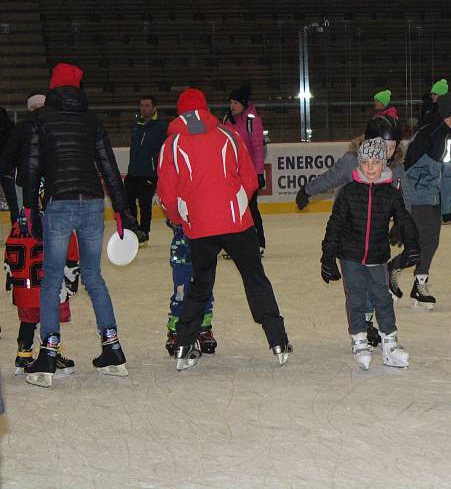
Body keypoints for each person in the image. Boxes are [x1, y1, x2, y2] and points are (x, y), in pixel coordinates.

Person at [157, 88, 291, 371]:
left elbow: (167, 194)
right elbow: (250, 179)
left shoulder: (171, 144)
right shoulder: (228, 136)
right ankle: (278, 340)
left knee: (200, 285)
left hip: (200, 226)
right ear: (206, 109)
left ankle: (183, 344)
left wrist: (182, 218)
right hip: (236, 223)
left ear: (180, 113)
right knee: (256, 279)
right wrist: (238, 204)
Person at [22, 63, 138, 388]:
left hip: (59, 203)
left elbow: (31, 167)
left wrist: (29, 208)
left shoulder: (40, 120)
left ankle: (47, 355)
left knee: (51, 280)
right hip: (91, 203)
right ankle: (112, 349)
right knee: (93, 277)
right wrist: (121, 209)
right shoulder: (91, 120)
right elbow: (109, 167)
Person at [296, 116, 407, 346]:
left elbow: (402, 197)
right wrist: (307, 190)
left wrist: (400, 224)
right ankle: (363, 325)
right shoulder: (353, 161)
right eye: (385, 146)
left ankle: (366, 321)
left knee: (376, 285)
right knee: (358, 284)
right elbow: (331, 178)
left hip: (374, 235)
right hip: (349, 232)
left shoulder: (395, 168)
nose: (388, 152)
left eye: (393, 147)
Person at [320, 138, 420, 370]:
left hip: (377, 256)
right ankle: (360, 341)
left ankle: (389, 343)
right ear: (359, 163)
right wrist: (327, 257)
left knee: (383, 299)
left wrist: (413, 245)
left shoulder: (390, 193)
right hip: (350, 256)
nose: (371, 167)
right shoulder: (348, 192)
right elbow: (334, 224)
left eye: (376, 162)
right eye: (366, 162)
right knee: (356, 299)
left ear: (383, 163)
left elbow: (404, 219)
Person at [403, 92, 451, 309]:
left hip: (434, 195)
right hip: (419, 195)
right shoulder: (429, 133)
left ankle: (412, 280)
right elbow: (407, 167)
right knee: (424, 241)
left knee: (430, 241)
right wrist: (405, 203)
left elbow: (447, 173)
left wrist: (447, 208)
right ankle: (414, 282)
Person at [7, 221, 80, 376]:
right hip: (49, 287)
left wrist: (13, 287)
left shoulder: (17, 226)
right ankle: (51, 354)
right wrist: (71, 285)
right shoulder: (60, 223)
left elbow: (8, 258)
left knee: (28, 319)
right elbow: (71, 258)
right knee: (50, 319)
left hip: (24, 287)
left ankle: (23, 355)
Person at [223, 83, 267, 254]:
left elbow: (258, 148)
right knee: (232, 208)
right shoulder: (227, 120)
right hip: (231, 173)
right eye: (230, 102)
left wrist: (258, 173)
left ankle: (259, 242)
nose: (232, 106)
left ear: (243, 103)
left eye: (235, 103)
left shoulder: (252, 121)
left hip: (248, 173)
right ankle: (234, 245)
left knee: (250, 207)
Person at [164, 220, 216, 356]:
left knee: (205, 291)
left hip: (203, 249)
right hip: (182, 255)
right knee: (180, 294)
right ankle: (175, 330)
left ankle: (204, 328)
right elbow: (171, 212)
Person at [0, 90, 47, 223]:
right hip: (49, 178)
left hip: (24, 179)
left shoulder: (21, 127)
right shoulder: (55, 126)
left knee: (23, 214)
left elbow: (9, 154)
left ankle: (25, 236)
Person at [125, 95, 167, 244]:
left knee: (145, 202)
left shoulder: (161, 126)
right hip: (133, 171)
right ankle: (132, 228)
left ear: (154, 108)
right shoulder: (136, 124)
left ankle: (144, 231)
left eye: (147, 105)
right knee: (127, 200)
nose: (144, 108)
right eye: (142, 105)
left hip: (150, 172)